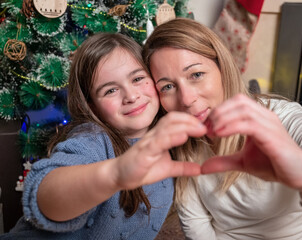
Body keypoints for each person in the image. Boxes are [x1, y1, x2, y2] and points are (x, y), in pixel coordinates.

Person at [143, 18, 302, 239]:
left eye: (196, 75)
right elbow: (196, 223)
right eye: (168, 87)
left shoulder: (282, 119)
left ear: (222, 68)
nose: (187, 99)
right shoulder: (182, 139)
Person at [0, 32, 207, 239]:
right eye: (110, 91)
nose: (131, 96)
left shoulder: (167, 133)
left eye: (137, 78)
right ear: (92, 106)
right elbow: (45, 196)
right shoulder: (91, 138)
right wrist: (116, 173)